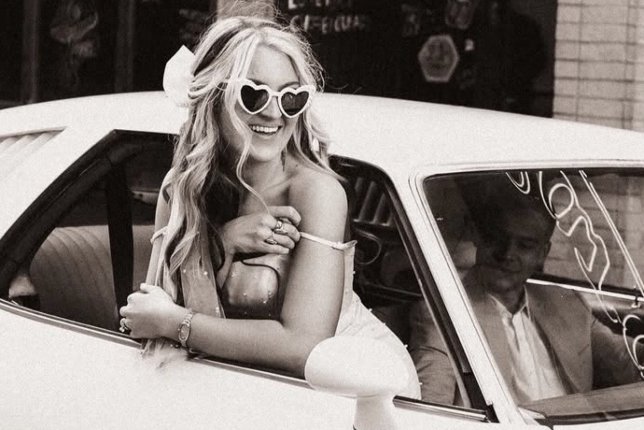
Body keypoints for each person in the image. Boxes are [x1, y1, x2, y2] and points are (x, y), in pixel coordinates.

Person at [117, 10, 420, 398]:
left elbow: (304, 345)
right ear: (214, 98)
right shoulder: (181, 189)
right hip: (247, 388)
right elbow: (144, 313)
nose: (274, 113)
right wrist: (220, 243)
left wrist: (176, 323)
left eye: (291, 97)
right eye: (253, 93)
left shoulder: (316, 192)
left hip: (357, 390)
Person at [410, 189, 642, 404]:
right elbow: (431, 403)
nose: (507, 254)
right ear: (478, 237)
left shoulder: (566, 302)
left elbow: (625, 359)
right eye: (496, 238)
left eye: (525, 245)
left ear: (543, 254)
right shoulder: (445, 311)